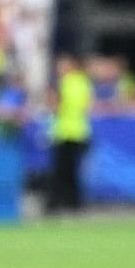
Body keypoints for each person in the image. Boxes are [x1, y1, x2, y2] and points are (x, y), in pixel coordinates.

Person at [48, 53, 95, 213]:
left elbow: (55, 106)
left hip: (64, 131)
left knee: (60, 171)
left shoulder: (63, 83)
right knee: (73, 172)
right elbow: (88, 105)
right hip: (80, 131)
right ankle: (74, 204)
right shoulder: (84, 82)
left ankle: (57, 204)